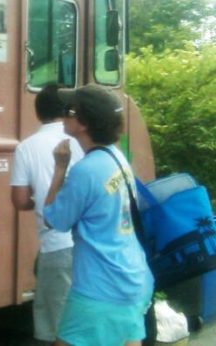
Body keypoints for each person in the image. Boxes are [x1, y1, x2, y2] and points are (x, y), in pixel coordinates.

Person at [44, 84, 154, 346]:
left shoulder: (86, 171)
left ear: (83, 124)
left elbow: (53, 219)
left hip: (100, 289)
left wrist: (59, 169)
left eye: (69, 111)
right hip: (134, 279)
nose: (64, 115)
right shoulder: (117, 158)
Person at [10, 84, 83, 344]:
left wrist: (39, 202)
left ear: (38, 112)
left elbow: (19, 200)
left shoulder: (26, 147)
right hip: (90, 244)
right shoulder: (82, 141)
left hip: (56, 246)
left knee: (57, 329)